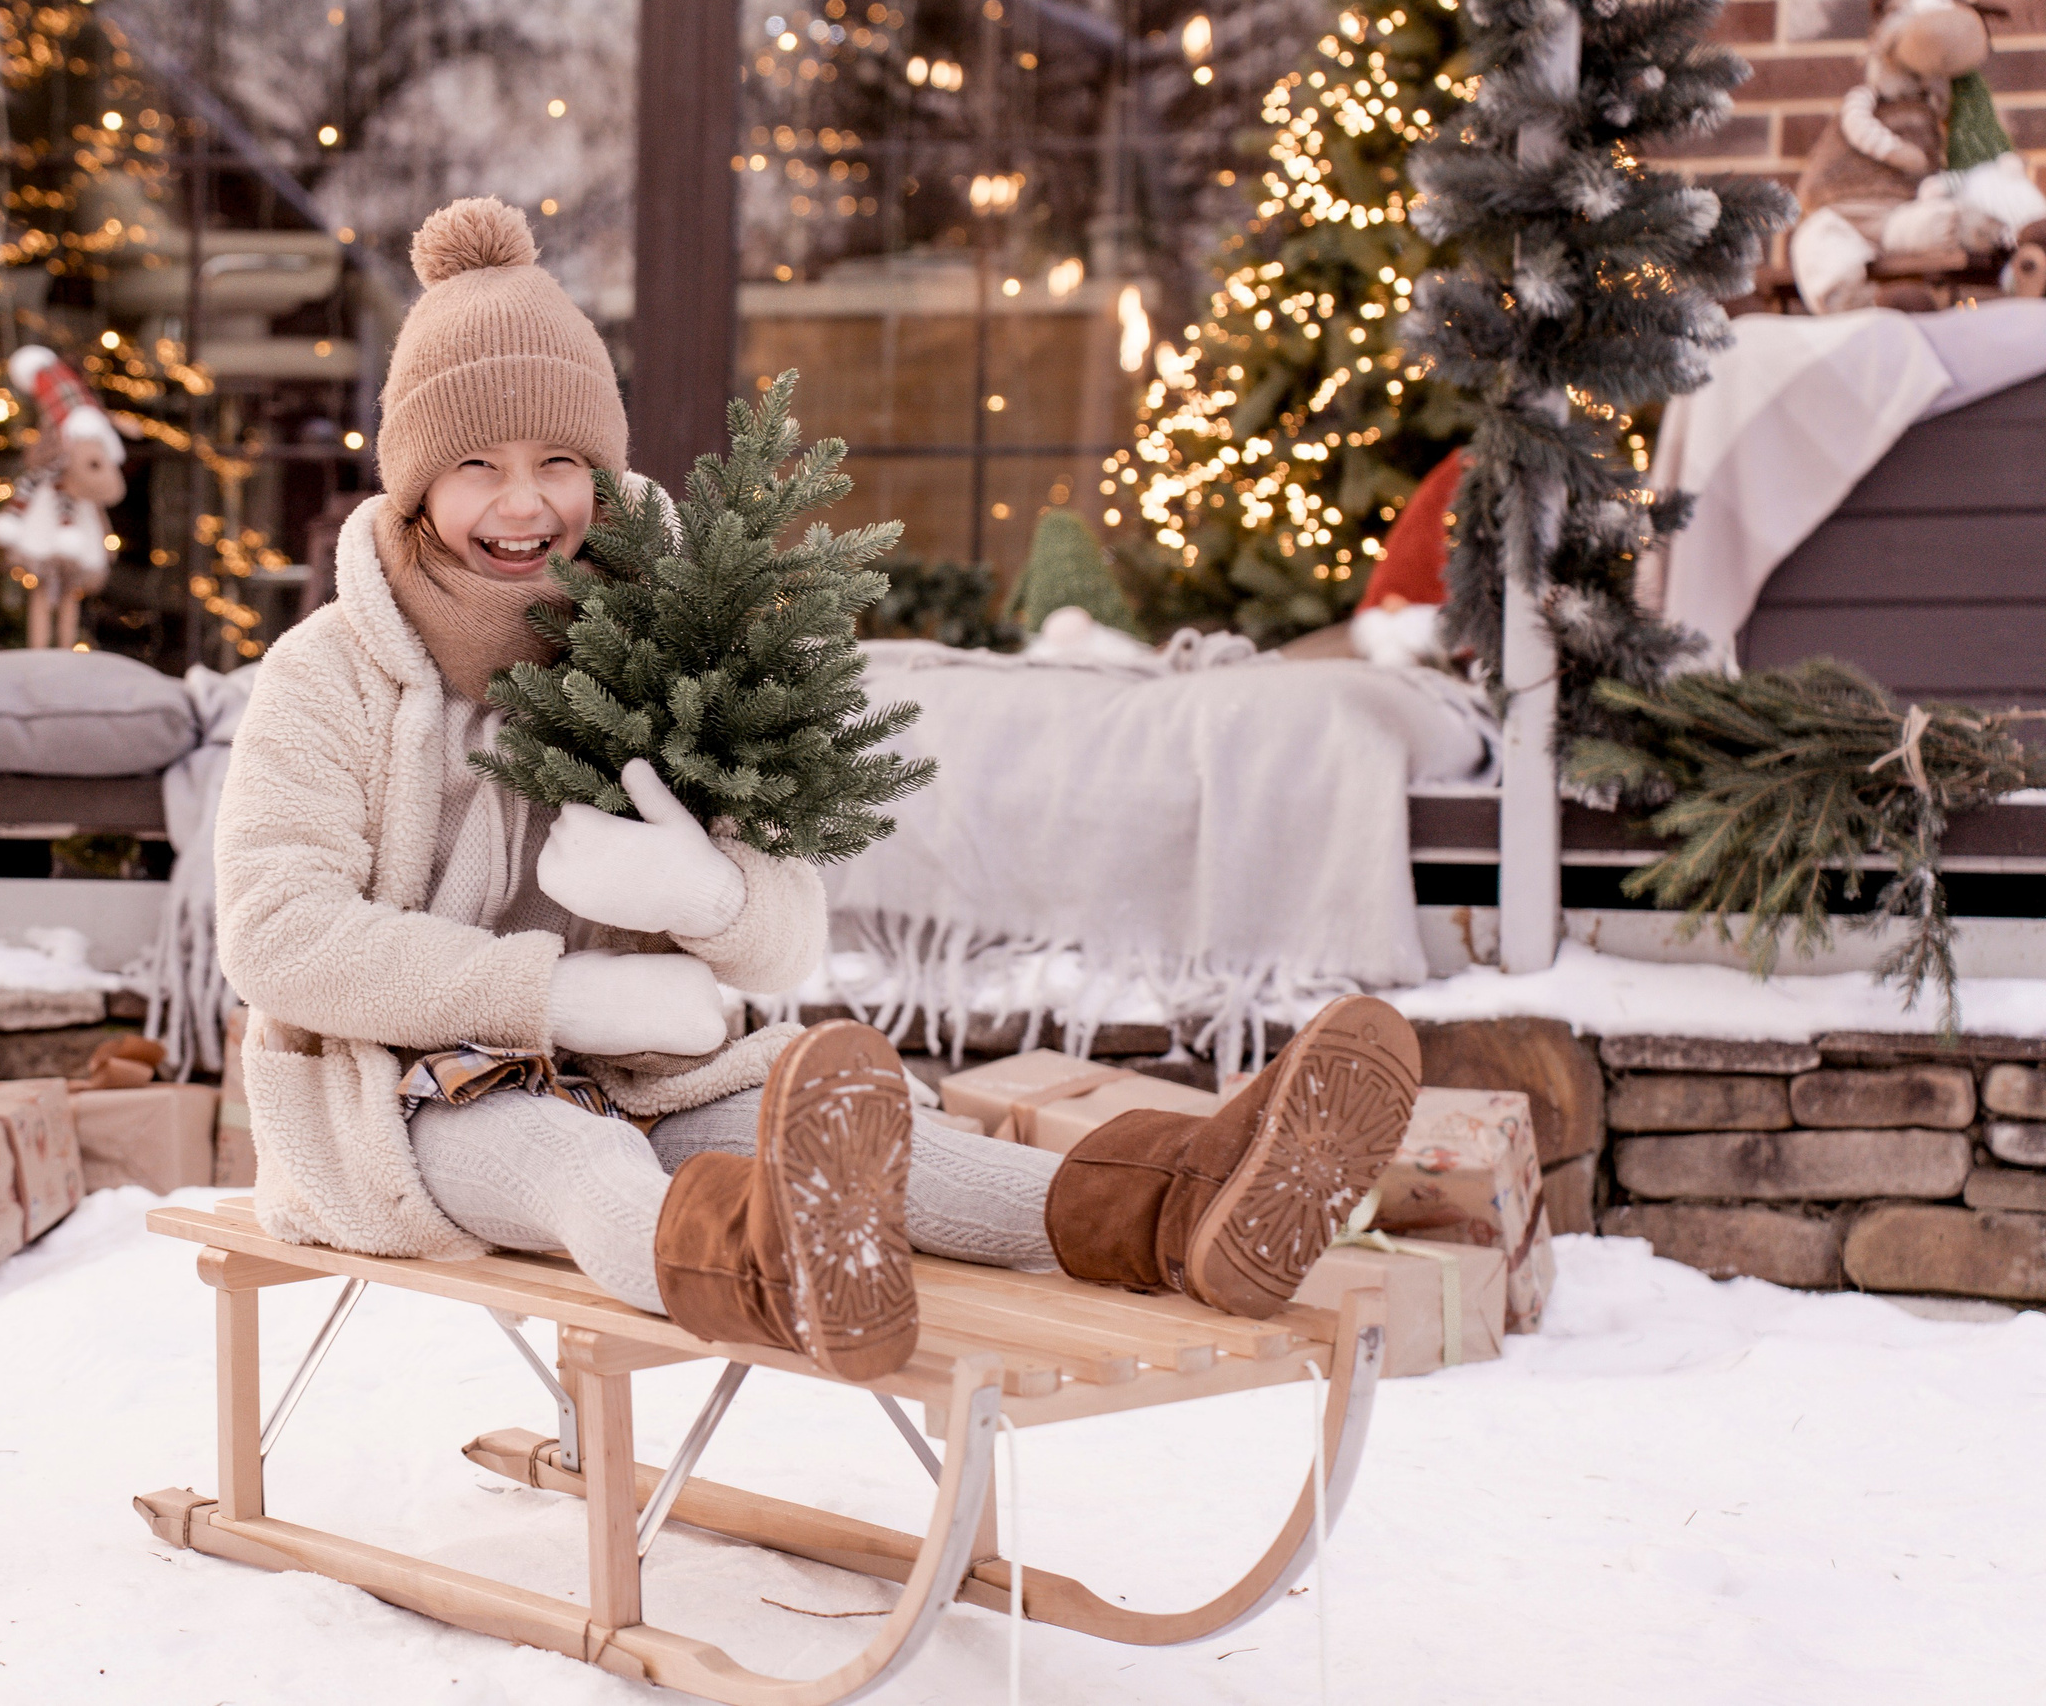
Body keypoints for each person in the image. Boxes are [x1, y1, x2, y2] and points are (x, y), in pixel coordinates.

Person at [215, 196, 1423, 1381]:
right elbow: (277, 937)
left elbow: (784, 935)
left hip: (648, 1075)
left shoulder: (671, 642)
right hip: (407, 1104)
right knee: (571, 1165)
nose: (525, 503)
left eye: (559, 461)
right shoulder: (333, 674)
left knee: (900, 1148)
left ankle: (1177, 1206)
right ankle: (772, 1272)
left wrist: (703, 893)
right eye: (477, 465)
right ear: (416, 485)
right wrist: (563, 996)